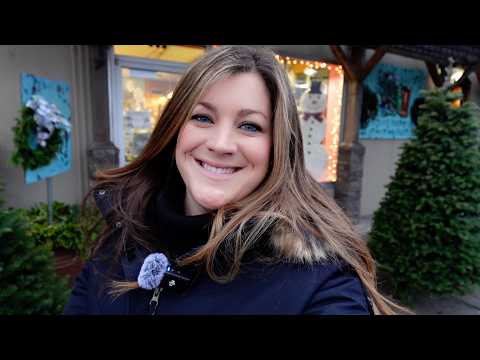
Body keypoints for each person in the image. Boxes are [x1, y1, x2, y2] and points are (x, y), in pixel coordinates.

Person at [64, 45, 404, 315]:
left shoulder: (319, 281)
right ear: (175, 130)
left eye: (250, 126)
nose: (221, 144)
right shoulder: (124, 230)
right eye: (202, 118)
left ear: (278, 149)